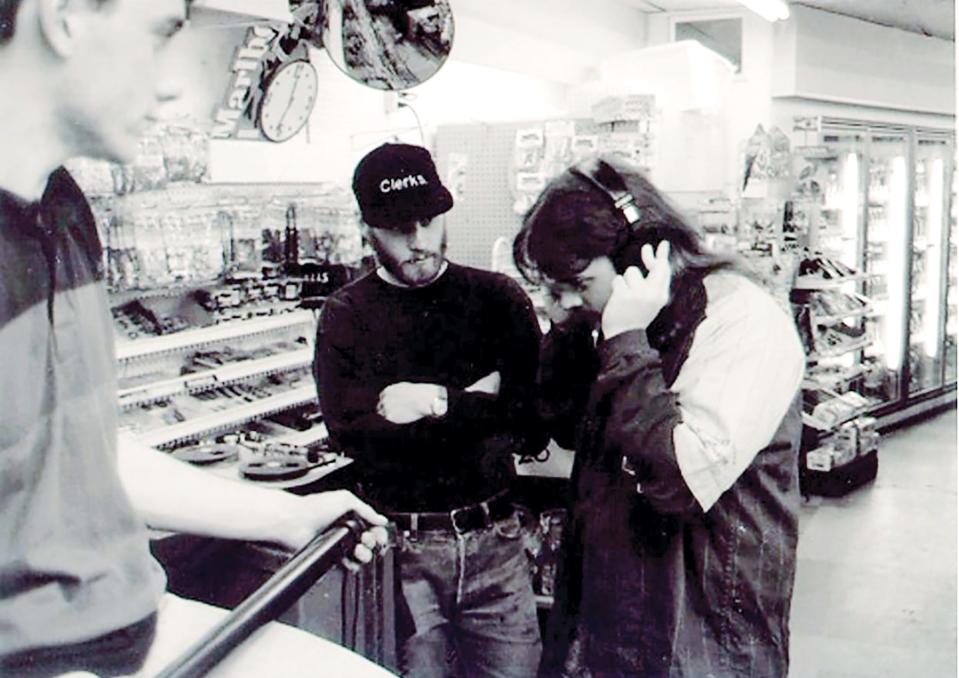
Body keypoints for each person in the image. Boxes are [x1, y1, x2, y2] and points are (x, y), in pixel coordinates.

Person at [0, 2, 389, 676]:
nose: (175, 84)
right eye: (160, 36)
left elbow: (81, 455)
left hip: (134, 626)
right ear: (64, 17)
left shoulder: (62, 209)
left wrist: (282, 515)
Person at [513, 156, 805, 677]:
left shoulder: (740, 320)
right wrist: (572, 328)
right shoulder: (634, 316)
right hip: (616, 631)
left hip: (706, 643)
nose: (566, 301)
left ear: (636, 255)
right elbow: (561, 423)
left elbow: (678, 479)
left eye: (578, 282)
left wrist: (625, 341)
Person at [314, 142, 544, 677]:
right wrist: (478, 405)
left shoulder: (498, 299)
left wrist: (432, 401)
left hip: (497, 544)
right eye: (399, 228)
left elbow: (530, 422)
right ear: (366, 227)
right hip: (401, 553)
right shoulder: (346, 314)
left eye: (427, 221)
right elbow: (355, 437)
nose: (418, 241)